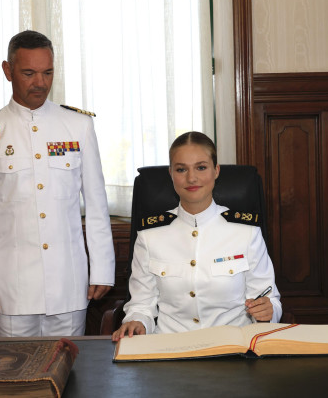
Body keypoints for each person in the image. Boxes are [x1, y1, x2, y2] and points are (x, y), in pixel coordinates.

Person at [0, 30, 115, 337]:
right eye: (29, 73)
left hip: (68, 286)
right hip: (10, 289)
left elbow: (97, 206)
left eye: (47, 73)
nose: (40, 83)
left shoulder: (78, 125)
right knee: (16, 378)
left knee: (71, 373)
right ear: (8, 71)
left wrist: (102, 269)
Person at [112, 131, 281, 340]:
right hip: (169, 349)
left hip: (233, 349)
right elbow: (141, 304)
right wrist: (137, 322)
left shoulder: (246, 231)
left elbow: (269, 298)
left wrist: (267, 312)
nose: (191, 178)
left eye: (201, 167)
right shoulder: (150, 235)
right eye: (181, 169)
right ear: (171, 174)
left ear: (216, 171)